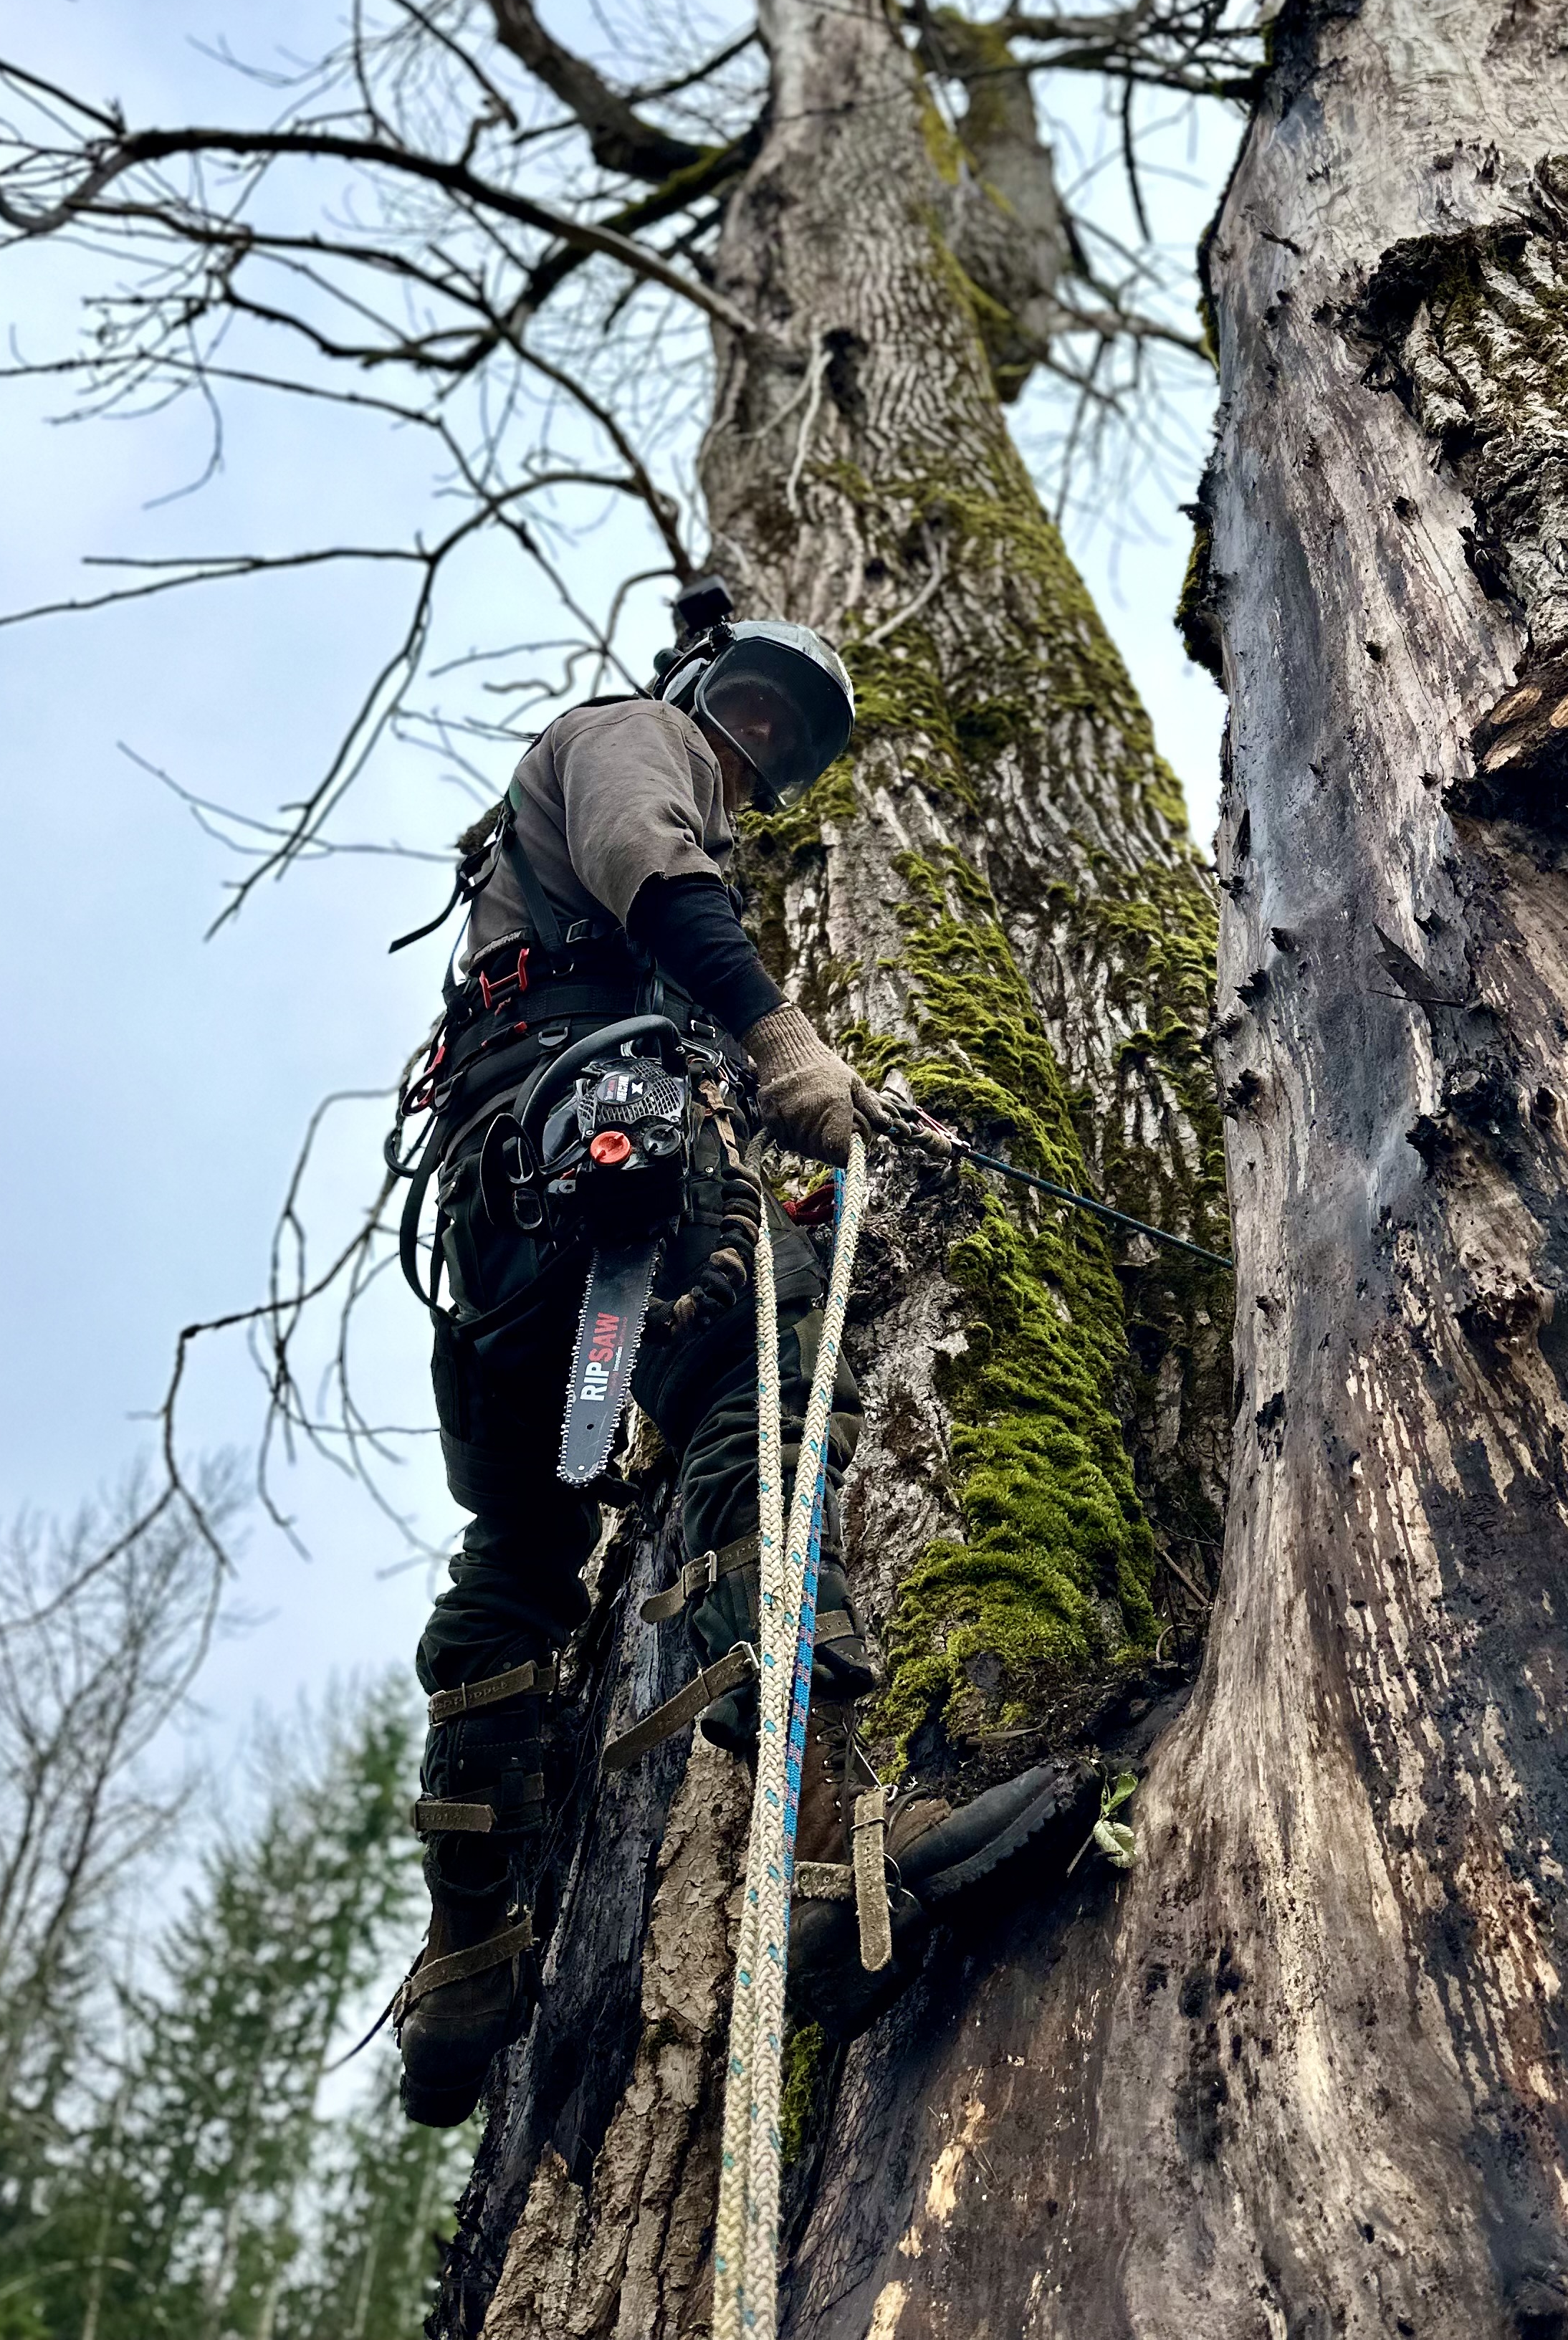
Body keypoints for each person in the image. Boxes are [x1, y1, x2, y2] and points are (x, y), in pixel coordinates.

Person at [388, 590, 1096, 2126]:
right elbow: (654, 860)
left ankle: (464, 1957)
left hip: (501, 1215)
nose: (752, 750)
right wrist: (780, 1044)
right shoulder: (627, 735)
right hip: (596, 1152)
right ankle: (834, 1857)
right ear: (703, 682)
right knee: (748, 1394)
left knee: (517, 1550)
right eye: (752, 709)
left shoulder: (540, 894)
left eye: (783, 740)